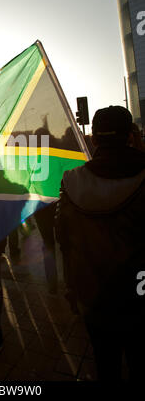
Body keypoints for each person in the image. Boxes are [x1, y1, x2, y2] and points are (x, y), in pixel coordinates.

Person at [55, 106, 145, 380]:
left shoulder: (71, 181)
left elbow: (64, 241)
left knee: (105, 365)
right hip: (139, 297)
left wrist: (71, 288)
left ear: (94, 139)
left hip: (93, 297)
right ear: (131, 135)